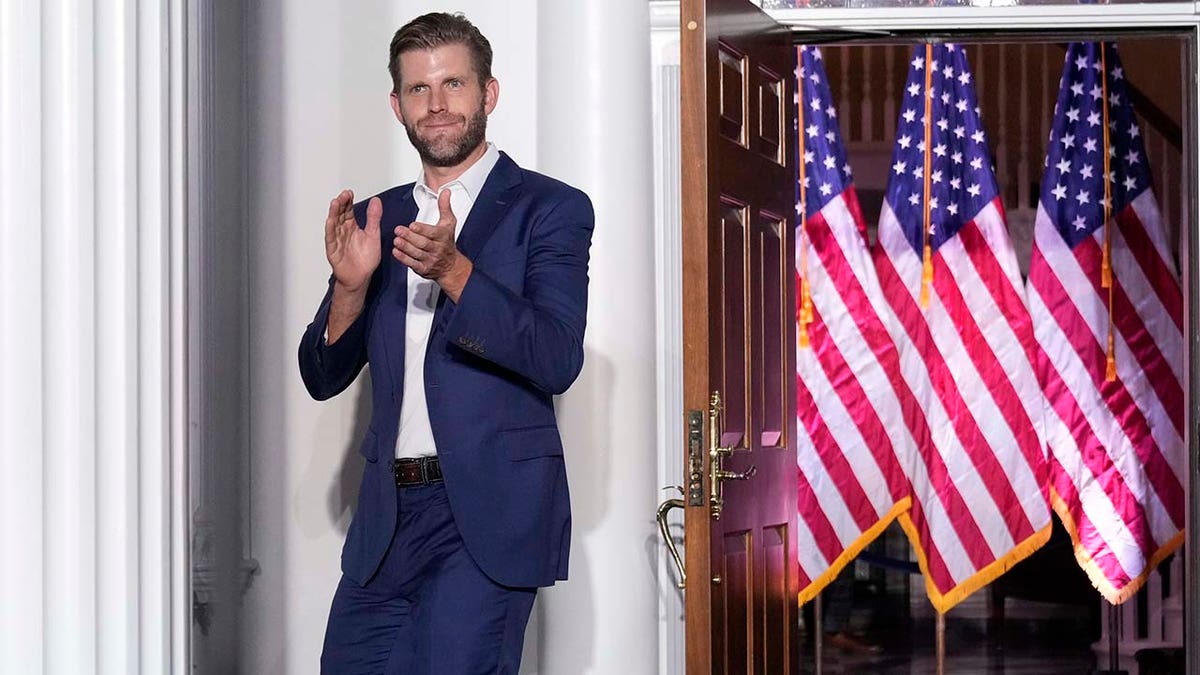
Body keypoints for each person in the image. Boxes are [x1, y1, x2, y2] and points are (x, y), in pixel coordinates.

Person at [297, 12, 594, 674]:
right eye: (419, 89)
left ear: (488, 93)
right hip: (386, 518)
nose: (437, 105)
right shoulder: (381, 216)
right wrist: (349, 288)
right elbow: (321, 375)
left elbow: (556, 356)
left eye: (454, 84)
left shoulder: (548, 208)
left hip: (485, 520)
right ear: (397, 104)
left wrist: (456, 272)